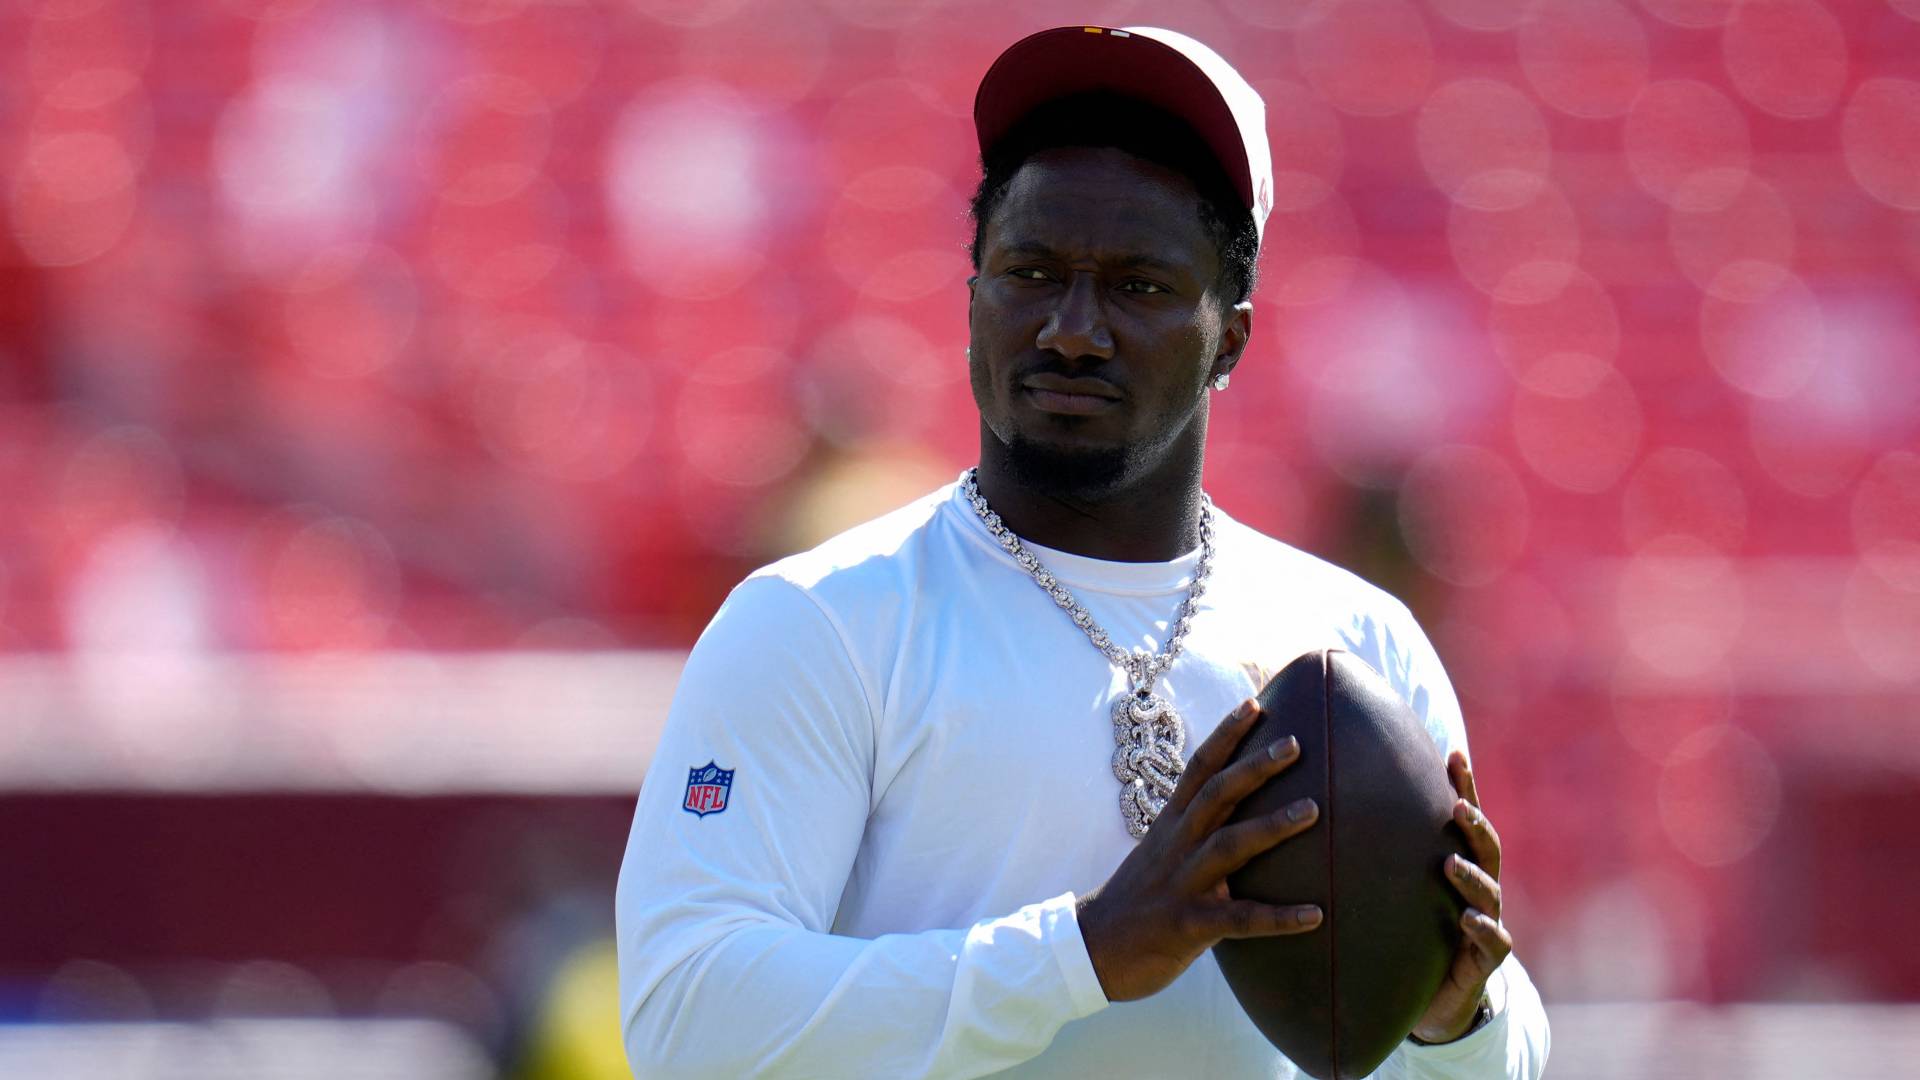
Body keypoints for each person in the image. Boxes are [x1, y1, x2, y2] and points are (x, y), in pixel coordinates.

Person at [617, 25, 1550, 1079]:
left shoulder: (1358, 642)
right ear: (972, 298)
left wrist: (1456, 1022)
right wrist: (1083, 954)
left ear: (1231, 337)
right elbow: (685, 1024)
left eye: (1139, 287)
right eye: (1030, 271)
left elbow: (1470, 1064)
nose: (1071, 328)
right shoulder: (819, 620)